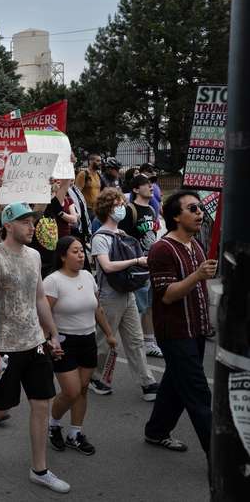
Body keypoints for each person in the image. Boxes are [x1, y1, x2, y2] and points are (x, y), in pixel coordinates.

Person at [0, 202, 69, 493]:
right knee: (3, 405)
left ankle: (39, 469)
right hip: (5, 346)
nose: (32, 227)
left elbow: (39, 297)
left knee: (41, 404)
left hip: (35, 342)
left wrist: (52, 333)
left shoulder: (35, 256)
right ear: (9, 225)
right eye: (26, 222)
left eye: (33, 221)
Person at [144, 191, 215, 455]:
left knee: (175, 383)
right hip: (175, 333)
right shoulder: (162, 249)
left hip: (196, 329)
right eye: (193, 208)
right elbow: (168, 295)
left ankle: (156, 431)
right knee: (198, 394)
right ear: (176, 216)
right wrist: (197, 275)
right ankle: (219, 458)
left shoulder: (195, 244)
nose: (199, 213)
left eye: (199, 208)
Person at [45, 236, 117, 456]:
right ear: (63, 256)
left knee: (83, 389)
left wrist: (109, 334)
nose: (81, 255)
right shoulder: (53, 281)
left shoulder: (87, 276)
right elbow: (44, 314)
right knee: (71, 390)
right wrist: (49, 340)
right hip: (64, 342)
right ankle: (53, 424)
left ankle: (75, 433)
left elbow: (97, 309)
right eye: (75, 252)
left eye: (81, 251)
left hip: (88, 340)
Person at [89, 188, 159, 400]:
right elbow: (107, 267)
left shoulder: (123, 234)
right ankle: (96, 377)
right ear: (107, 209)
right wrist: (136, 261)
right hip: (109, 296)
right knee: (104, 342)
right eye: (118, 205)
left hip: (127, 293)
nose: (122, 208)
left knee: (135, 339)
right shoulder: (100, 237)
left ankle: (147, 382)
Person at [120, 175, 163, 357]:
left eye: (151, 183)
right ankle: (134, 344)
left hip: (151, 264)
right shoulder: (129, 210)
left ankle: (149, 342)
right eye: (146, 184)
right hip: (137, 266)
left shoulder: (152, 210)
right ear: (136, 189)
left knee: (150, 305)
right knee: (136, 307)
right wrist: (134, 261)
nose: (150, 186)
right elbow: (122, 239)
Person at [75, 153, 103, 220]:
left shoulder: (98, 175)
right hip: (86, 209)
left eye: (100, 161)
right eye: (98, 161)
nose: (100, 163)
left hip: (96, 209)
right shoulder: (83, 174)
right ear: (90, 161)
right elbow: (76, 193)